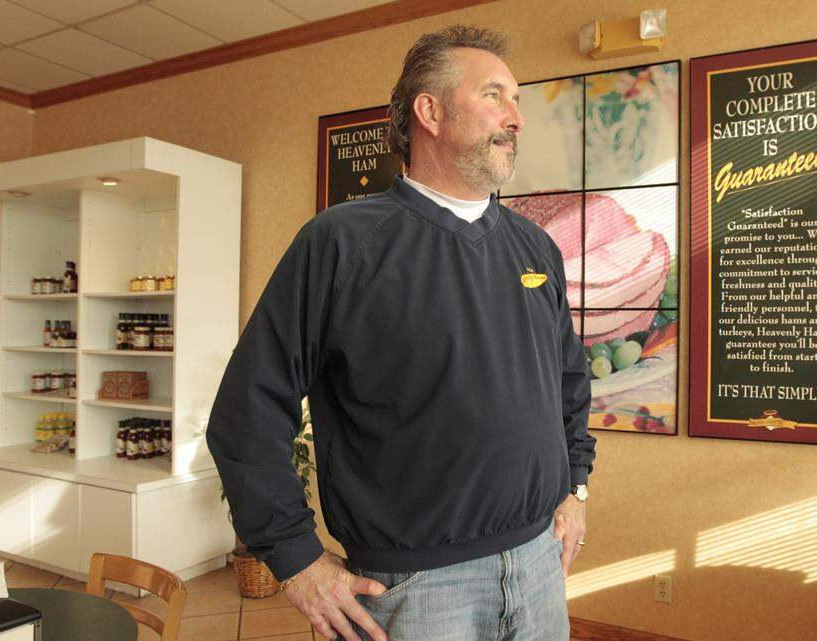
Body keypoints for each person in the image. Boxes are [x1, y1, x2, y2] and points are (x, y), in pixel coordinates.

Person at [207, 24, 595, 641]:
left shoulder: (536, 246)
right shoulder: (340, 243)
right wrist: (295, 558)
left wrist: (575, 487)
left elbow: (570, 383)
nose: (517, 116)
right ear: (430, 111)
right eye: (496, 95)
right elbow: (246, 412)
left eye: (516, 100)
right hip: (414, 588)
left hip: (539, 563)